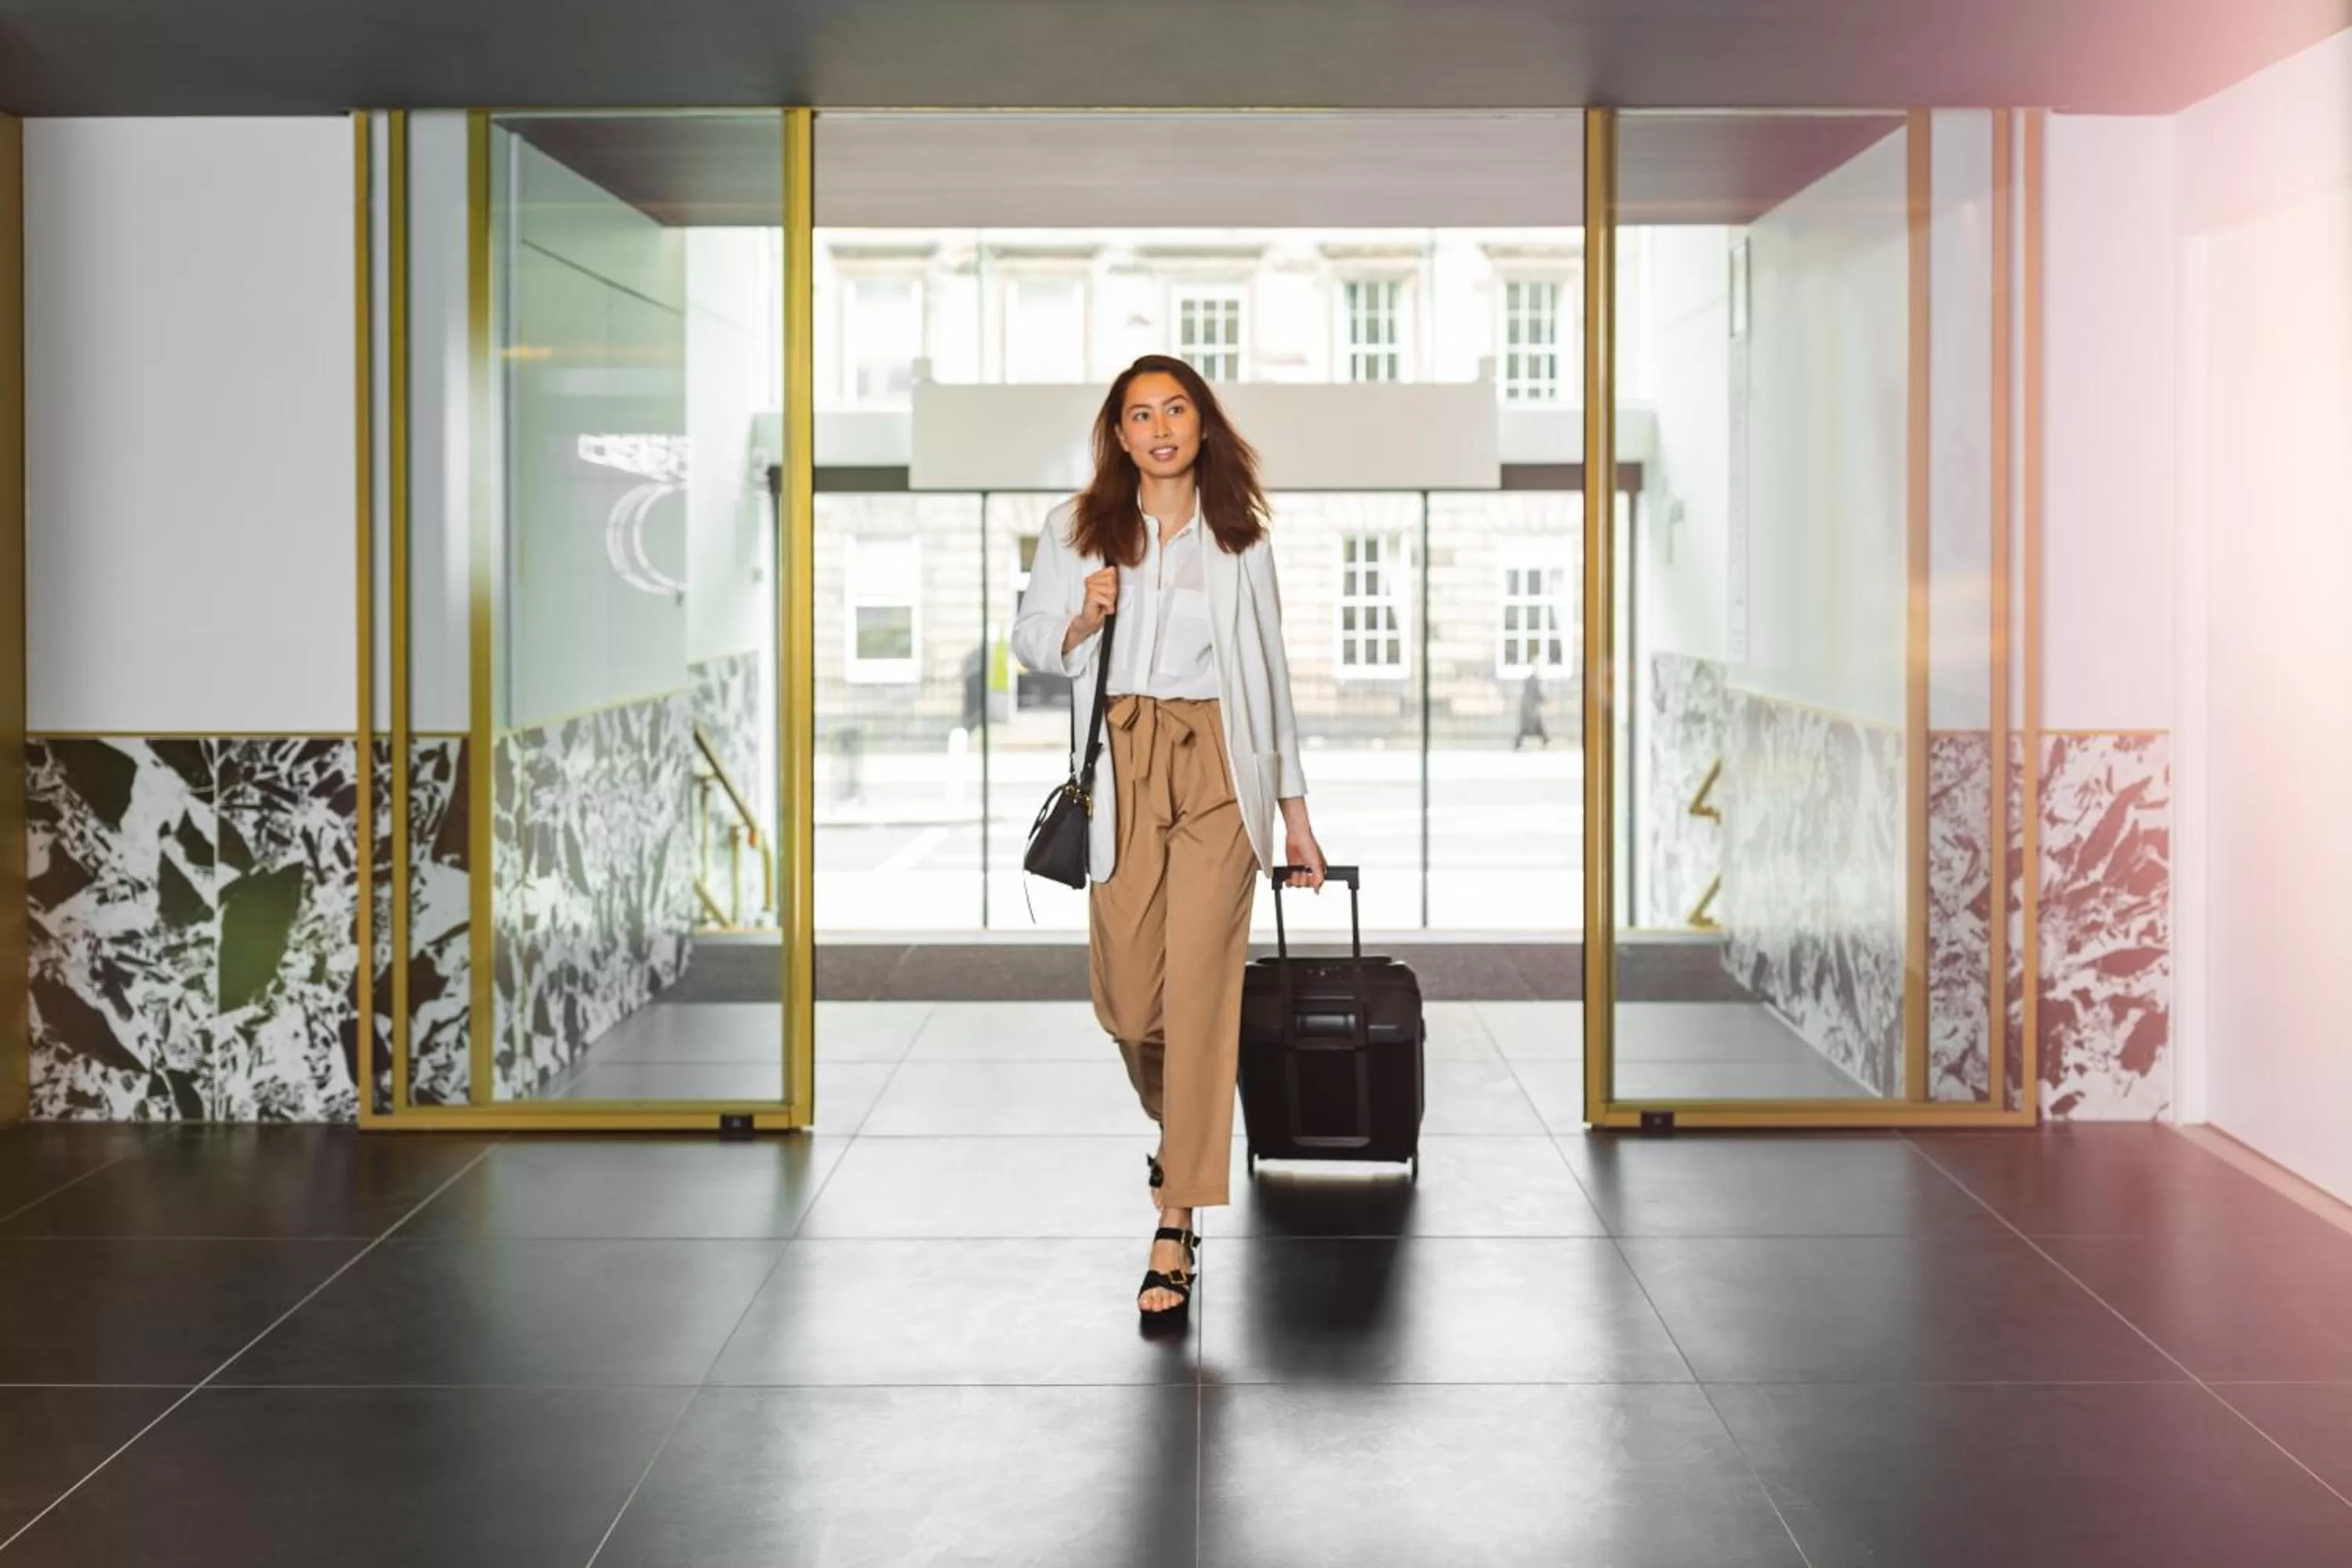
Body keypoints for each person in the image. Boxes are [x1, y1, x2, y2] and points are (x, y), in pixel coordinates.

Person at [1011, 354, 1327, 1324]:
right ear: (1118, 432)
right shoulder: (1077, 529)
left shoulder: (1240, 539)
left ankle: (1176, 1219)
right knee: (1130, 1002)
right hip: (1123, 764)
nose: (1158, 427)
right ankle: (1177, 1121)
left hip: (1219, 770)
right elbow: (1026, 641)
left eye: (1175, 409)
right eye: (1139, 413)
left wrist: (1297, 817)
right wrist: (1079, 617)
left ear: (1201, 424)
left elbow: (1269, 679)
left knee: (1200, 995)